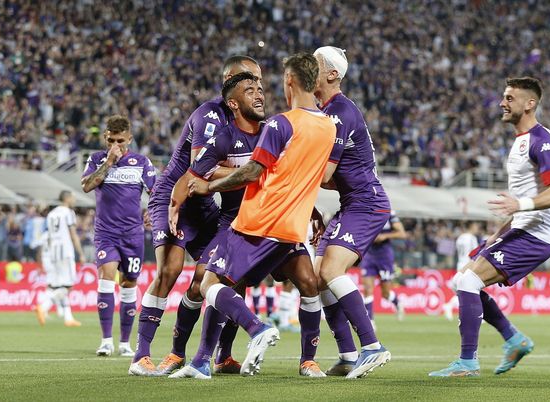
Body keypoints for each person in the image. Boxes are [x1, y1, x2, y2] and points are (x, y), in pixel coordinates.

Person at [176, 53, 335, 378]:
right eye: (252, 87)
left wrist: (208, 187)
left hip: (256, 220)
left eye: (262, 85)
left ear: (288, 81)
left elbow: (255, 172)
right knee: (305, 282)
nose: (261, 91)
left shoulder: (278, 124)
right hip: (285, 225)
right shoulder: (322, 126)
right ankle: (304, 361)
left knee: (212, 283)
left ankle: (256, 333)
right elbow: (303, 174)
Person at [128, 56, 262, 376]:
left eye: (259, 81)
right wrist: (256, 169)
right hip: (174, 195)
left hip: (203, 205)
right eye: (249, 80)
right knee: (170, 270)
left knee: (223, 277)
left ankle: (222, 355)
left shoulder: (252, 119)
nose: (257, 87)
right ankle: (142, 356)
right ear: (230, 81)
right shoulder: (210, 116)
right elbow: (200, 170)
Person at [429, 77, 550, 377]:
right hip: (518, 228)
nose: (502, 103)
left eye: (509, 98)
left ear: (529, 104)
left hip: (535, 235)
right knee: (460, 281)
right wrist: (501, 230)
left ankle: (468, 363)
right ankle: (514, 340)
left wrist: (520, 207)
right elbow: (523, 197)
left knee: (468, 283)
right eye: (503, 97)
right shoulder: (520, 142)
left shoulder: (540, 140)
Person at [312, 46, 391, 378]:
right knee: (316, 277)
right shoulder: (329, 111)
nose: (307, 70)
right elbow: (333, 179)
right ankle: (347, 354)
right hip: (352, 202)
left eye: (313, 65)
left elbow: (325, 175)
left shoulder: (339, 112)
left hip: (367, 204)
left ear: (332, 74)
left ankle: (372, 346)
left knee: (330, 271)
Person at [81, 115, 156, 357]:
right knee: (106, 276)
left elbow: (158, 191)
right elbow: (87, 185)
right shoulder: (96, 160)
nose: (116, 145)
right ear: (105, 137)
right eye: (111, 140)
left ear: (129, 138)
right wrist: (109, 162)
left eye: (121, 140)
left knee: (129, 285)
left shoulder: (141, 162)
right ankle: (106, 340)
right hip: (106, 233)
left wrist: (152, 212)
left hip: (133, 234)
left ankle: (124, 343)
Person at [35, 190, 86, 327]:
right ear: (67, 198)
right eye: (73, 197)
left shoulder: (51, 214)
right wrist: (80, 253)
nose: (74, 199)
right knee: (68, 286)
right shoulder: (68, 213)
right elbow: (73, 234)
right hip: (66, 251)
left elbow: (50, 235)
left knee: (58, 285)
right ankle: (44, 306)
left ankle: (68, 318)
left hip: (54, 252)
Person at [360, 210, 407, 327]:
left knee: (385, 293)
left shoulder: (388, 212)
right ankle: (370, 322)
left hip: (384, 257)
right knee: (367, 289)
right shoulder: (363, 210)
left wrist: (385, 236)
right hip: (368, 255)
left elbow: (402, 233)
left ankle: (397, 303)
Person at [443, 221, 482, 321]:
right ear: (471, 226)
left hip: (460, 264)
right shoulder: (472, 238)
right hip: (468, 265)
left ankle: (477, 314)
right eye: (476, 226)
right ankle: (478, 315)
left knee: (464, 290)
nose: (477, 228)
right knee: (470, 290)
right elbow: (476, 253)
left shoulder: (460, 238)